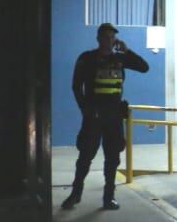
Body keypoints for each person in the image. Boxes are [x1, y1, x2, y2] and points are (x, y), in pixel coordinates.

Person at [63, 23, 150, 211]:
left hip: (114, 116)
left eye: (112, 37)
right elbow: (76, 86)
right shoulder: (86, 58)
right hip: (93, 116)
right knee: (85, 156)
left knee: (112, 158)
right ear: (98, 38)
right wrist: (85, 110)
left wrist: (127, 51)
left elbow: (144, 67)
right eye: (106, 37)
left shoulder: (120, 58)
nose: (109, 40)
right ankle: (75, 194)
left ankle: (109, 197)